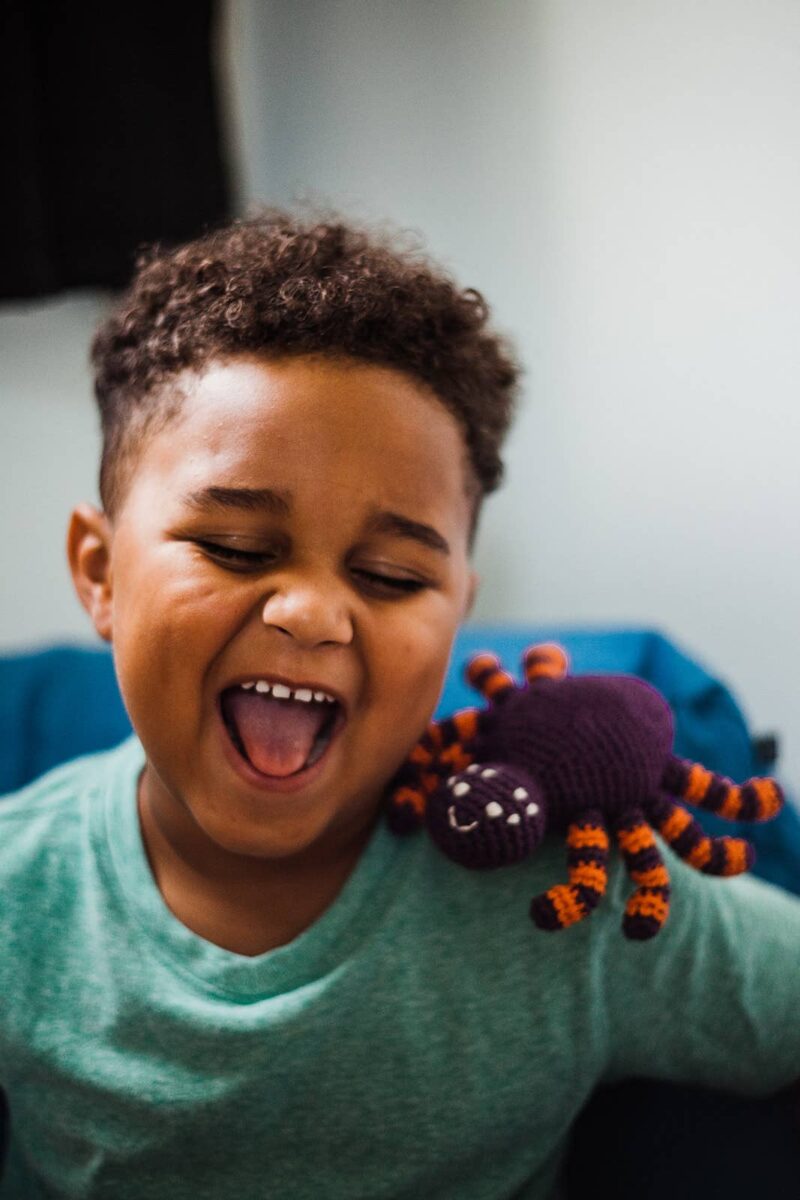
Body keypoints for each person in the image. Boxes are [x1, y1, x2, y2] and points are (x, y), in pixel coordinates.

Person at [1, 209, 799, 1200]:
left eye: (385, 574)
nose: (310, 612)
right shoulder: (15, 894)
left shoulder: (572, 900)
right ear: (99, 572)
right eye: (239, 550)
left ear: (461, 609)